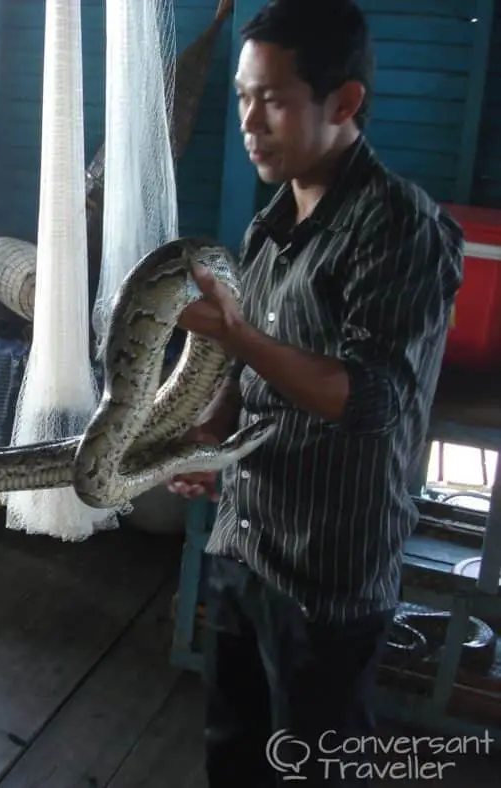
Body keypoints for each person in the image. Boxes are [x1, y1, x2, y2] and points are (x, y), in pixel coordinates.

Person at [169, 1, 464, 786]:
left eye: (272, 98)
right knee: (234, 750)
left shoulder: (398, 225)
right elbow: (243, 372)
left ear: (344, 103)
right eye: (240, 96)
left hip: (326, 575)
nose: (249, 121)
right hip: (243, 543)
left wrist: (239, 336)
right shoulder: (269, 226)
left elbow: (369, 398)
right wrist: (211, 436)